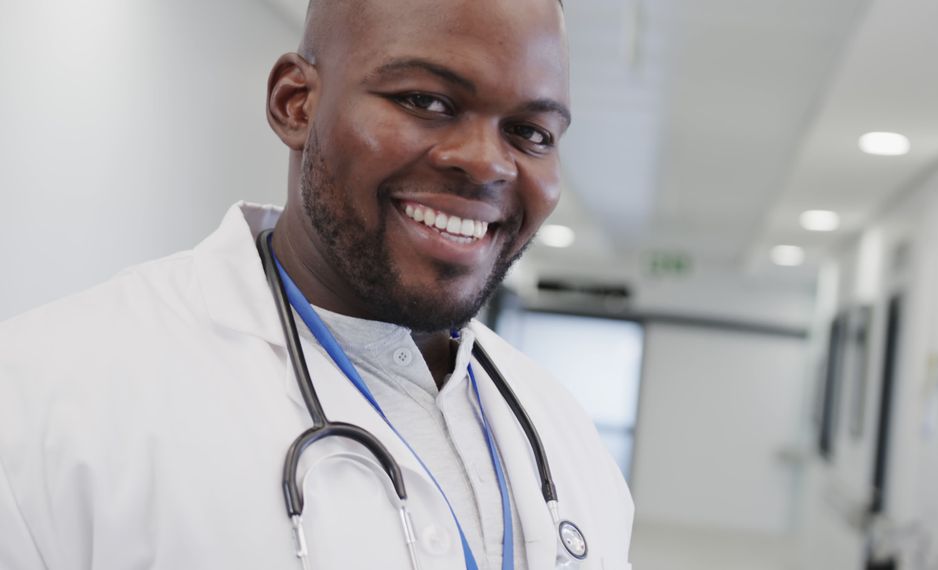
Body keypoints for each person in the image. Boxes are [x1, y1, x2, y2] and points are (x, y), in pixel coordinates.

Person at [0, 0, 634, 568]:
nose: (487, 162)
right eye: (426, 101)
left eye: (530, 133)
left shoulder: (565, 438)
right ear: (294, 103)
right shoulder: (45, 400)